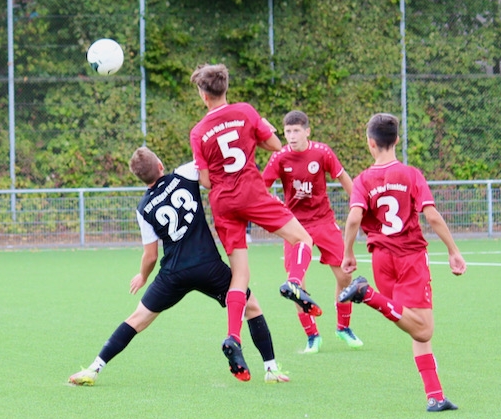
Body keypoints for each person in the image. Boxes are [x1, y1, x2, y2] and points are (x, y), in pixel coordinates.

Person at [68, 147, 289, 385]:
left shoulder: (143, 208)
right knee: (251, 307)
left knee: (137, 319)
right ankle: (271, 369)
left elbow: (150, 256)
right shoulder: (185, 173)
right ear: (160, 165)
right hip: (207, 266)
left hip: (173, 273)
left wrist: (142, 276)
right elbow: (209, 161)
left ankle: (93, 369)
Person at [189, 63, 321, 374]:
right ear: (226, 88)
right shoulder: (245, 112)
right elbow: (276, 145)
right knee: (302, 239)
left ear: (203, 95)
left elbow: (205, 180)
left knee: (240, 275)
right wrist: (255, 135)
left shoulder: (198, 132)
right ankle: (294, 283)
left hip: (223, 203)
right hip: (251, 192)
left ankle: (233, 336)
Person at [340, 113, 467, 412]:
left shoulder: (363, 180)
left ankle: (435, 395)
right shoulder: (411, 174)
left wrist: (348, 253)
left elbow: (354, 218)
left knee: (414, 324)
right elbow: (431, 215)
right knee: (424, 330)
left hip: (381, 259)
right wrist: (453, 250)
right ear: (397, 140)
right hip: (410, 256)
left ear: (371, 143)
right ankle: (367, 295)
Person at [262, 110, 363, 353]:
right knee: (296, 285)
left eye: (296, 131)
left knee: (345, 276)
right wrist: (275, 206)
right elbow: (261, 187)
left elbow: (343, 177)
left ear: (307, 131)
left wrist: (358, 204)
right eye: (288, 131)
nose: (292, 136)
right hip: (295, 226)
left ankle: (343, 328)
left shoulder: (322, 152)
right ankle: (312, 336)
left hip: (324, 221)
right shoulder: (279, 157)